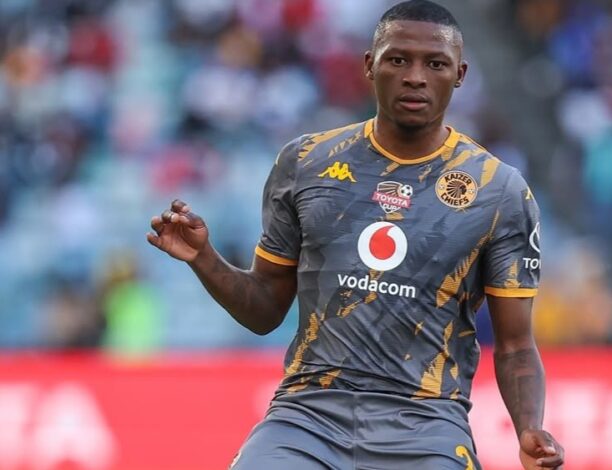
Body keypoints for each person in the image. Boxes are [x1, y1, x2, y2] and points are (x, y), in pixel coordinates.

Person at [147, 1, 564, 468]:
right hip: (307, 418)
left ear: (460, 74)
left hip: (425, 424)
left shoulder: (498, 190)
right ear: (369, 64)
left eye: (435, 64)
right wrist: (205, 258)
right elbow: (264, 308)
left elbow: (515, 344)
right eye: (398, 59)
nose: (415, 77)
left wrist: (529, 428)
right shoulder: (307, 162)